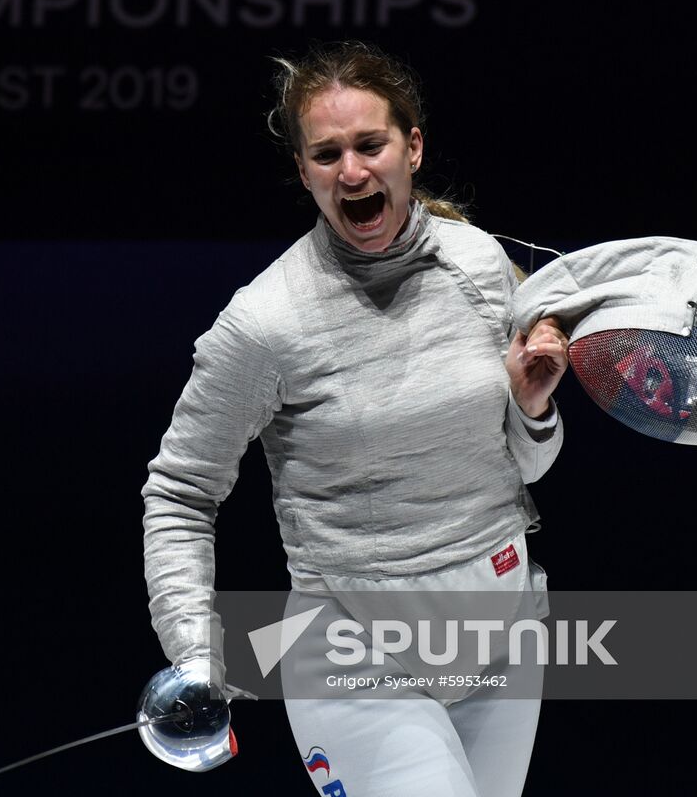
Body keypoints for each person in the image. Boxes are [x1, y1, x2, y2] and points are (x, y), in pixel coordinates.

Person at [141, 40, 569, 797]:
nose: (351, 170)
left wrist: (533, 410)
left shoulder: (479, 266)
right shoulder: (265, 322)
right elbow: (180, 494)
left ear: (412, 147)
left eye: (370, 144)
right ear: (303, 171)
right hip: (352, 654)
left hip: (499, 633)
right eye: (327, 153)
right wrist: (196, 650)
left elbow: (522, 470)